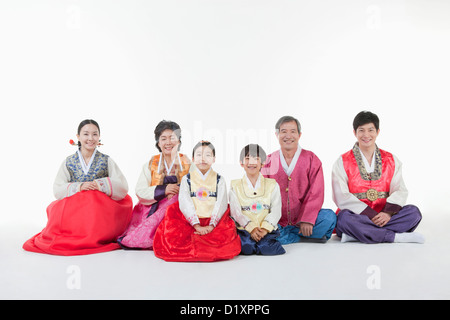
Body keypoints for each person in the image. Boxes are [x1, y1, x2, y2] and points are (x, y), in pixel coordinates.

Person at [23, 119, 133, 255]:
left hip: (99, 212)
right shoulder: (69, 162)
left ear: (99, 137)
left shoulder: (106, 160)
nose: (90, 138)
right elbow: (58, 189)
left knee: (93, 200)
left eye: (95, 134)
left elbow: (122, 186)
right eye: (86, 134)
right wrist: (79, 186)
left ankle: (95, 234)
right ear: (78, 137)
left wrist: (100, 184)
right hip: (75, 210)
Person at [332, 111, 424, 244]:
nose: (366, 135)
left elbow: (400, 190)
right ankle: (394, 237)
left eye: (371, 130)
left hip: (385, 216)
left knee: (414, 213)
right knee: (343, 219)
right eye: (361, 130)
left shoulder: (391, 160)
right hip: (357, 216)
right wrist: (371, 215)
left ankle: (359, 234)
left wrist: (387, 213)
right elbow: (341, 196)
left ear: (378, 132)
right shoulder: (342, 161)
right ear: (354, 133)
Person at [153, 141, 241, 262]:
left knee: (225, 238)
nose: (203, 159)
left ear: (214, 159)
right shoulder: (187, 179)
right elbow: (185, 201)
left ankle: (206, 239)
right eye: (199, 155)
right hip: (191, 220)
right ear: (193, 159)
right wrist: (196, 224)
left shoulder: (219, 179)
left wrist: (211, 225)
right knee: (176, 238)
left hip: (213, 220)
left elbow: (221, 202)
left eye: (208, 155)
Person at [261, 116, 336, 244]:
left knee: (329, 217)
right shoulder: (267, 161)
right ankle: (302, 236)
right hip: (277, 221)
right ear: (277, 134)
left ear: (299, 135)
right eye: (284, 131)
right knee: (263, 227)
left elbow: (316, 192)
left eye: (293, 131)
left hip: (303, 219)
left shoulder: (311, 159)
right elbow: (262, 195)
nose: (288, 135)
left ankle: (285, 236)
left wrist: (307, 219)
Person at [118, 120, 190, 249]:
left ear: (179, 141)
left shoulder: (187, 163)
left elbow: (196, 186)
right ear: (158, 142)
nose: (168, 142)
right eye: (163, 139)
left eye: (172, 138)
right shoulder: (151, 164)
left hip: (179, 207)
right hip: (154, 207)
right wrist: (164, 190)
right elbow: (140, 190)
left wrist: (178, 191)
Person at [229, 144, 285, 255]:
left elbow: (276, 209)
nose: (251, 162)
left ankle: (262, 241)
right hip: (245, 229)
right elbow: (236, 212)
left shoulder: (272, 185)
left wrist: (265, 228)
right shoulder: (235, 185)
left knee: (268, 247)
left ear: (263, 163)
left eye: (256, 159)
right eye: (247, 158)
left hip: (265, 230)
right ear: (241, 162)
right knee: (247, 247)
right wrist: (251, 228)